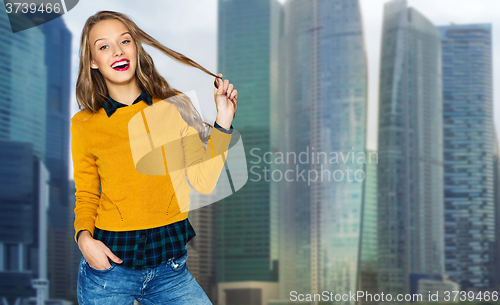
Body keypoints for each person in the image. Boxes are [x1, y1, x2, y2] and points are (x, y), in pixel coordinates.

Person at [71, 10, 237, 305]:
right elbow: (86, 194)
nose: (118, 51)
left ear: (136, 48)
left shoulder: (174, 106)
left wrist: (223, 120)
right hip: (109, 272)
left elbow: (205, 180)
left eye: (125, 41)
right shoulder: (84, 124)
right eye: (104, 46)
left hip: (171, 272)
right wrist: (85, 239)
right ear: (92, 62)